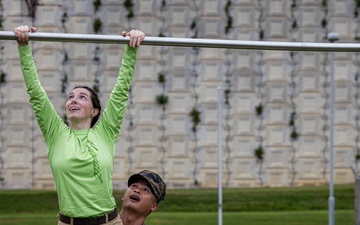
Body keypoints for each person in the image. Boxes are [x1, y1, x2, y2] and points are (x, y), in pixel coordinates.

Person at [13, 25, 145, 225]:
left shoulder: (106, 132)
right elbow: (36, 94)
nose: (73, 100)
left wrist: (132, 47)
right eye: (70, 97)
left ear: (94, 111)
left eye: (82, 97)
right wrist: (23, 46)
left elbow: (120, 91)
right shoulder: (55, 133)